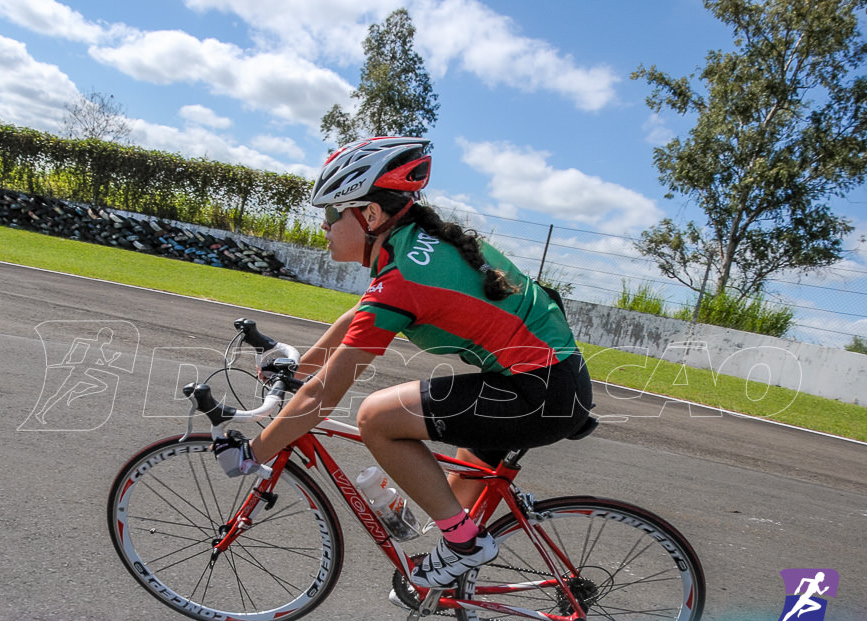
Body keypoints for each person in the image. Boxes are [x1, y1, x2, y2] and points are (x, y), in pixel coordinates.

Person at [215, 137, 593, 589]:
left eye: (332, 214)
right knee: (449, 504)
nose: (324, 226)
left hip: (538, 391)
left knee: (376, 417)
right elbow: (358, 317)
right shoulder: (414, 245)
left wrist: (254, 452)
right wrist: (300, 368)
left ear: (370, 215)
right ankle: (449, 570)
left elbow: (323, 397)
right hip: (546, 382)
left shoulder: (402, 278)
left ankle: (466, 546)